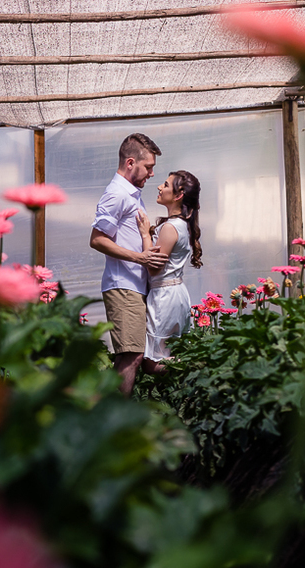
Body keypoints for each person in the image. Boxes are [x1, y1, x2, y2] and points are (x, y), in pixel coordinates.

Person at [89, 133, 169, 396]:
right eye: (149, 167)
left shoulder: (133, 195)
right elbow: (97, 240)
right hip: (122, 286)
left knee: (139, 358)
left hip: (135, 286)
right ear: (131, 162)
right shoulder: (116, 195)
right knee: (131, 356)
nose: (152, 174)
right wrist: (140, 258)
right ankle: (111, 422)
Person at [136, 171, 203, 375]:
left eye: (165, 185)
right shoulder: (182, 225)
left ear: (178, 195)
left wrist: (145, 235)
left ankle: (197, 372)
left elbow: (154, 266)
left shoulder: (170, 227)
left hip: (165, 296)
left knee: (151, 362)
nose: (159, 187)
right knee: (169, 352)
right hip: (175, 292)